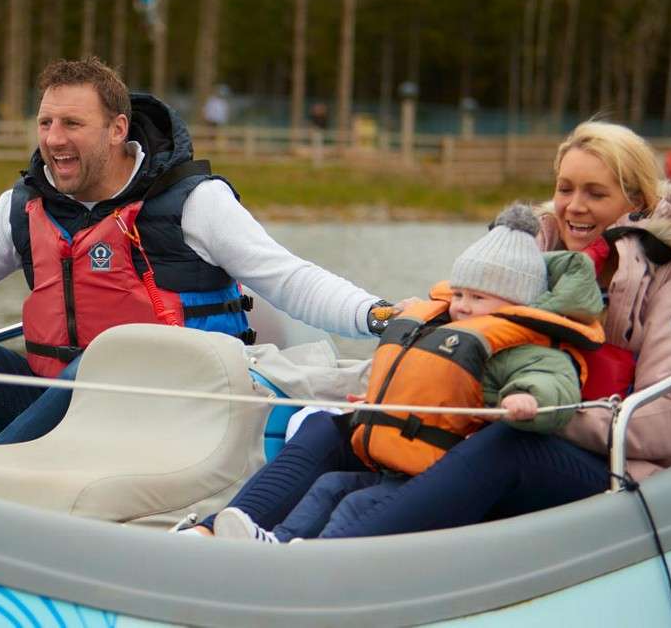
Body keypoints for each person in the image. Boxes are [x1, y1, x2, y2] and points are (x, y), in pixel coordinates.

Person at [0, 57, 394, 462]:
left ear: (117, 130)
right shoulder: (23, 208)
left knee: (108, 356)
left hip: (164, 419)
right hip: (50, 412)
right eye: (45, 123)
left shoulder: (195, 204)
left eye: (72, 125)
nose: (53, 140)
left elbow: (290, 279)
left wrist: (380, 317)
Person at [298, 120, 671, 539]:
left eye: (596, 193)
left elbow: (666, 422)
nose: (574, 206)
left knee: (506, 445)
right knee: (338, 426)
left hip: (617, 466)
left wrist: (531, 410)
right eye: (565, 189)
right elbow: (460, 340)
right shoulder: (531, 249)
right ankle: (239, 536)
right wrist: (403, 390)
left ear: (636, 201)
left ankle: (335, 557)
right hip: (496, 426)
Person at [184, 204, 603, 542]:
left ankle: (311, 563)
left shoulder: (524, 344)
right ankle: (254, 535)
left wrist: (529, 400)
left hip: (443, 457)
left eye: (477, 297)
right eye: (459, 294)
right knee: (329, 477)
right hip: (401, 447)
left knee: (352, 505)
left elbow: (553, 381)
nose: (462, 306)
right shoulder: (452, 323)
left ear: (512, 304)